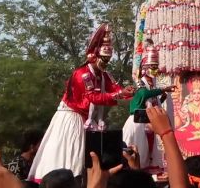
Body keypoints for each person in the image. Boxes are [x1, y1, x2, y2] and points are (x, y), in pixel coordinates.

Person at [28, 24, 135, 181]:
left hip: (86, 120)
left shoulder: (103, 74)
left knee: (87, 158)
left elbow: (115, 89)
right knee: (70, 158)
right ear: (94, 56)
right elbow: (93, 97)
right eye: (103, 59)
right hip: (71, 119)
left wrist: (130, 92)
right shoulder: (82, 74)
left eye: (108, 59)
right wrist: (120, 93)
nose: (106, 62)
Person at [122, 41, 176, 170]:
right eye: (152, 66)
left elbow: (150, 103)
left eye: (156, 66)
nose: (155, 69)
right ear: (145, 68)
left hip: (147, 123)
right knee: (137, 153)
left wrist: (161, 98)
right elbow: (143, 94)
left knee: (148, 154)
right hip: (137, 122)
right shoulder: (140, 82)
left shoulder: (152, 85)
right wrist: (163, 89)